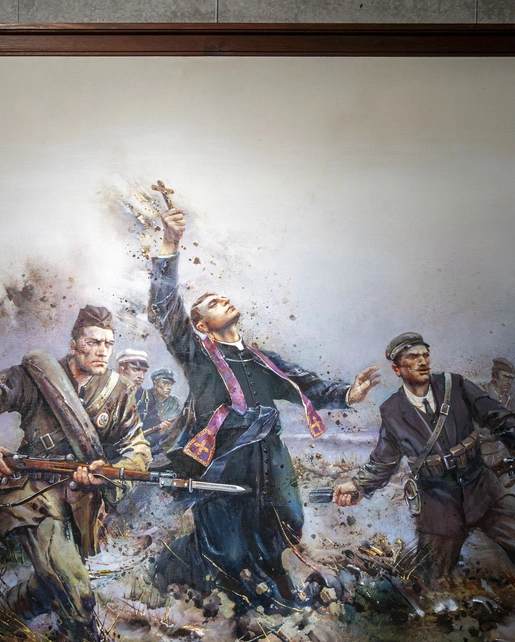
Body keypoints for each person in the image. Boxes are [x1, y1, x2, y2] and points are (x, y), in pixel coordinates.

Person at [147, 206, 381, 608]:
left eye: (222, 297)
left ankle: (268, 584)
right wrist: (170, 243)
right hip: (222, 463)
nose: (222, 300)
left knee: (285, 526)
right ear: (201, 325)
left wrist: (349, 394)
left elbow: (307, 384)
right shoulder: (197, 357)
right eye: (211, 303)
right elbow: (166, 313)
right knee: (226, 546)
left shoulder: (264, 360)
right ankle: (177, 566)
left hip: (270, 461)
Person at [0, 306, 150, 642]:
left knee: (49, 585)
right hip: (31, 494)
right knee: (76, 590)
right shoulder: (36, 376)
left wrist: (106, 472)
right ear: (74, 344)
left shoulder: (117, 391)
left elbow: (137, 448)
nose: (103, 350)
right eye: (93, 342)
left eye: (108, 343)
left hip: (80, 502)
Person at [333, 333, 515, 586]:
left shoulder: (455, 385)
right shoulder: (391, 410)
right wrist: (359, 485)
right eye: (413, 357)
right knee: (432, 577)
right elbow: (385, 460)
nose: (422, 361)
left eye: (425, 355)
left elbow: (494, 413)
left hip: (481, 487)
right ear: (397, 369)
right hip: (437, 501)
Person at [480, 357, 515, 467]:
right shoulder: (481, 392)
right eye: (505, 377)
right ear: (494, 376)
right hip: (480, 451)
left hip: (499, 454)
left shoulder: (508, 400)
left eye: (511, 378)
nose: (509, 382)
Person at [143, 368, 183, 455]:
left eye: (171, 384)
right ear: (155, 383)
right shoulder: (143, 398)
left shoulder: (173, 402)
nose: (169, 388)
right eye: (165, 383)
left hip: (163, 446)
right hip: (142, 444)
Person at [115, 348, 152, 418]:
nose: (141, 376)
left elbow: (153, 420)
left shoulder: (146, 397)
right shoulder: (110, 392)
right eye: (136, 370)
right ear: (122, 371)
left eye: (144, 372)